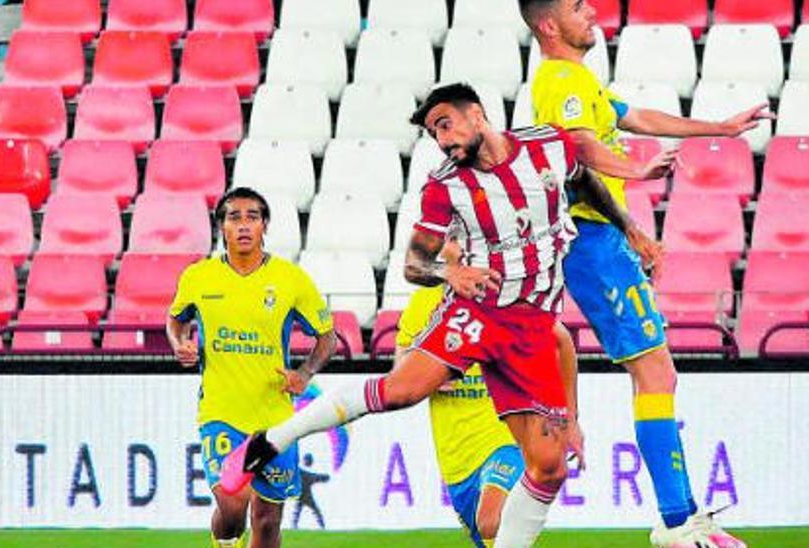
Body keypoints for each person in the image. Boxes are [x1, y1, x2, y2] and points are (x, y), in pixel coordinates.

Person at [220, 83, 668, 548]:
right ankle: (268, 441)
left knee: (550, 466)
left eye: (445, 125)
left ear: (476, 113)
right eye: (435, 133)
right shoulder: (446, 185)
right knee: (401, 391)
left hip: (532, 328)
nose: (443, 140)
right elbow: (414, 263)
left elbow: (584, 182)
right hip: (480, 314)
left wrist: (630, 227)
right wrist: (447, 273)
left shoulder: (547, 145)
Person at [519, 1, 773, 546]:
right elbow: (579, 149)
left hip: (603, 238)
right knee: (654, 374)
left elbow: (637, 117)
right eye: (576, 6)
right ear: (547, 25)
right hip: (590, 240)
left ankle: (681, 518)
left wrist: (720, 129)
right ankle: (679, 521)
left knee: (657, 374)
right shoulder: (558, 79)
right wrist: (635, 179)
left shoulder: (578, 78)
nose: (590, 11)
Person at [166, 187, 338, 548]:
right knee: (232, 503)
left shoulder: (291, 279)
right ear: (221, 228)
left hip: (275, 419)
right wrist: (179, 342)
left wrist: (304, 374)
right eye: (234, 217)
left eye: (252, 217)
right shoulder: (198, 277)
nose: (244, 225)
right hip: (220, 412)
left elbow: (327, 337)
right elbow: (175, 319)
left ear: (265, 226)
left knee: (268, 521)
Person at [397, 278, 579, 548]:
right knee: (491, 537)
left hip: (508, 437)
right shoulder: (424, 301)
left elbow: (561, 341)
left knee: (490, 519)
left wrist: (569, 420)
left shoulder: (507, 297)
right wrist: (430, 374)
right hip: (457, 459)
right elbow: (401, 367)